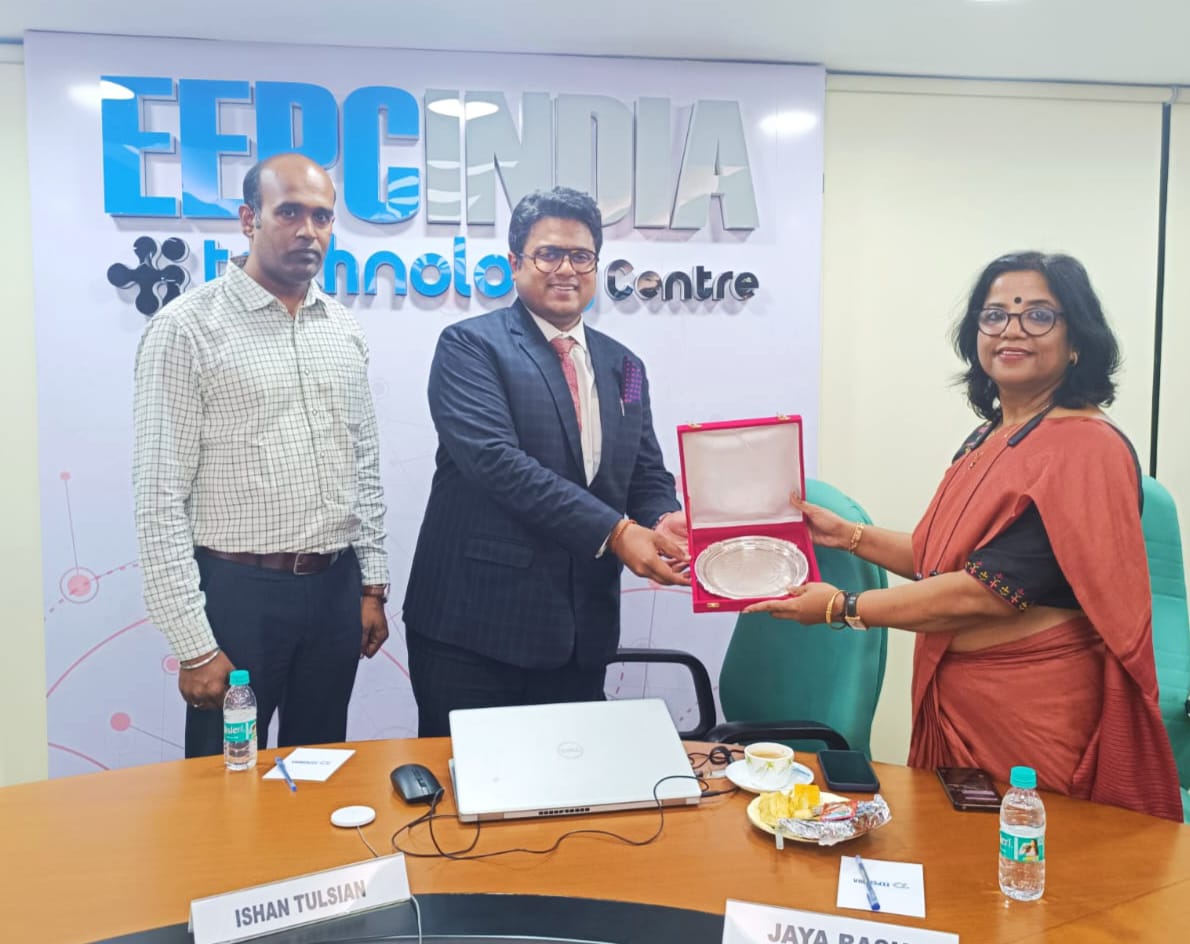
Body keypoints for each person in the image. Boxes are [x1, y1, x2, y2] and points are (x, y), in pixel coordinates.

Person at [745, 251, 1182, 821]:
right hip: (959, 700)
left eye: (1038, 315)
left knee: (1026, 857)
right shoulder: (989, 435)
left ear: (1077, 341)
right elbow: (943, 560)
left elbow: (989, 590)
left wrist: (843, 607)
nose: (1012, 330)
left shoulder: (1086, 448)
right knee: (952, 854)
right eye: (994, 315)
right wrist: (849, 536)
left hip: (1032, 711)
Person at [403, 187, 689, 737]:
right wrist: (617, 532)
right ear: (515, 263)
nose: (566, 269)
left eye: (581, 256)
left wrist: (661, 518)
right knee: (469, 786)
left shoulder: (626, 367)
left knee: (572, 785)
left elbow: (644, 470)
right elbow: (497, 463)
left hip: (581, 634)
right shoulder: (470, 347)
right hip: (475, 632)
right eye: (548, 254)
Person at [133, 153, 390, 758]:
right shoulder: (187, 328)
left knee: (320, 766)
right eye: (289, 212)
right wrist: (194, 645)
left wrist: (371, 586)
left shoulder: (343, 329)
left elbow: (364, 463)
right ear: (249, 219)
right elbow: (158, 498)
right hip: (238, 595)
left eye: (321, 217)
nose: (308, 231)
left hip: (335, 587)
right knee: (226, 780)